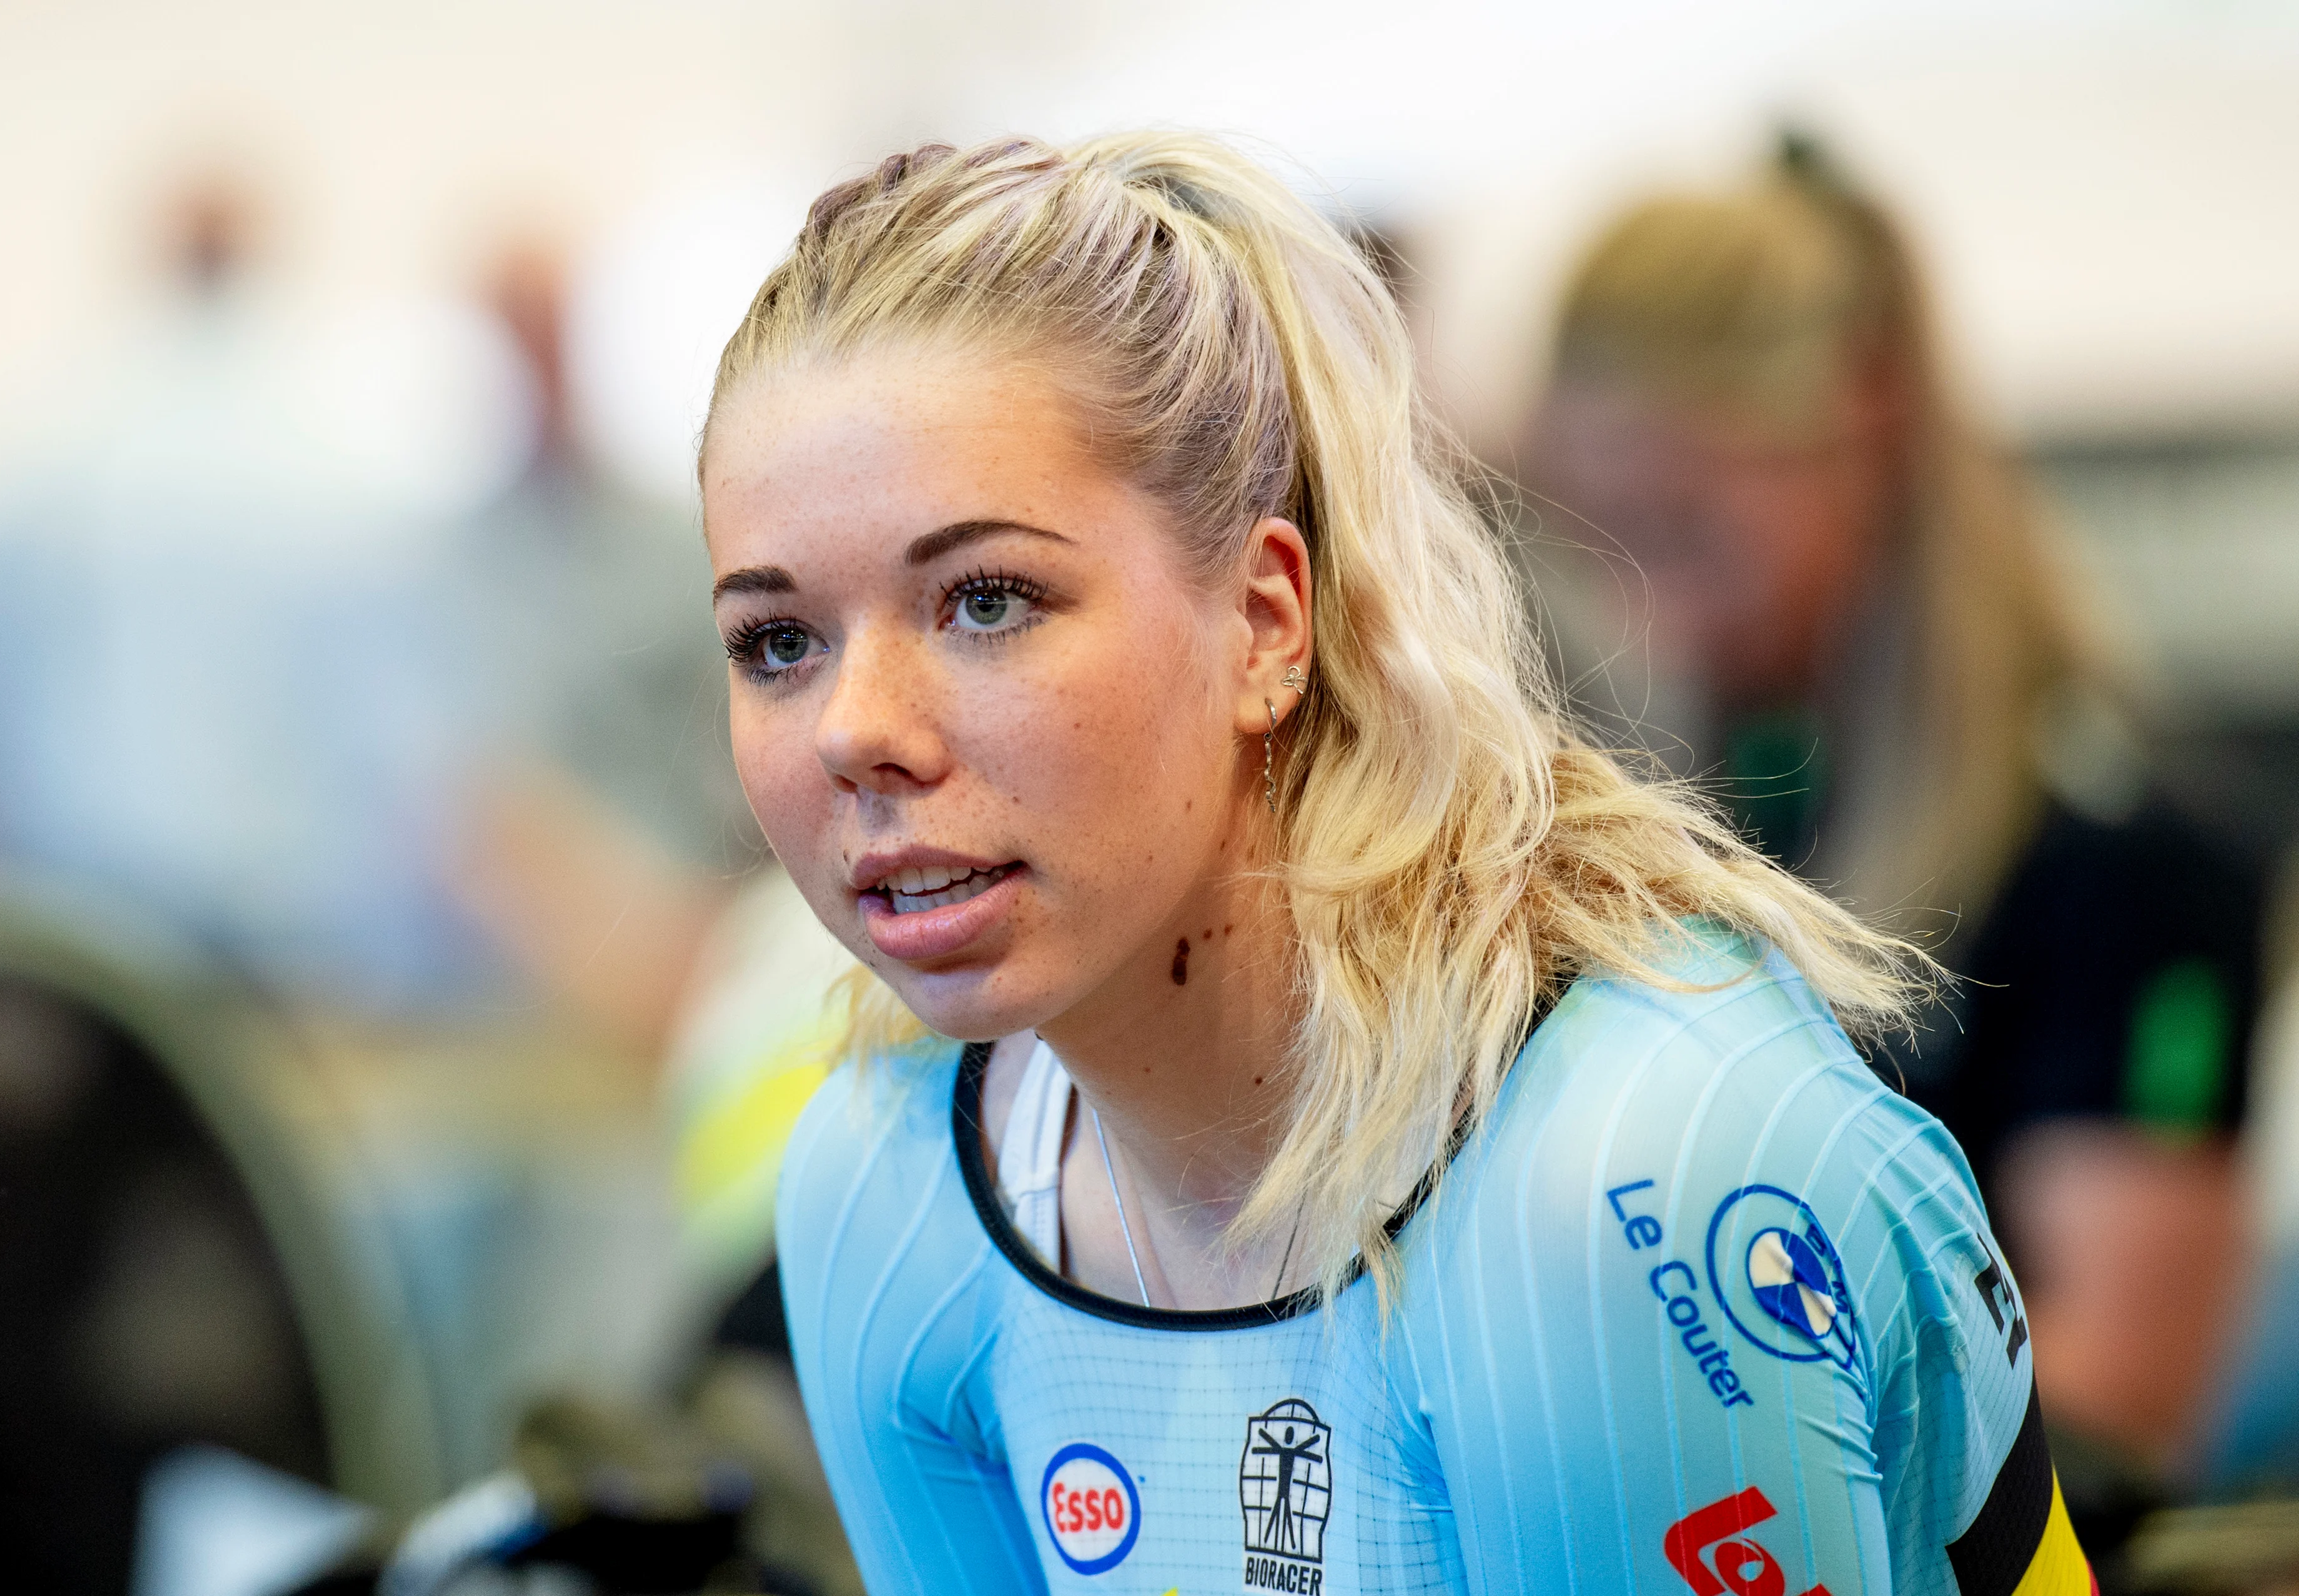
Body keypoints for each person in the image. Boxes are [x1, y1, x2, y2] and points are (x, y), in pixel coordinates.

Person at [705, 134, 2093, 1594]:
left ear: (1263, 624)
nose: (858, 730)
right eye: (777, 641)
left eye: (986, 601)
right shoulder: (888, 1187)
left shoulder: (1609, 1198)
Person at [1526, 137, 2263, 1506]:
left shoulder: (2128, 868)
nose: (1656, 612)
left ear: (1862, 422)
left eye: (1690, 529)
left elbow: (2117, 1402)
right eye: (1608, 540)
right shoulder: (1735, 812)